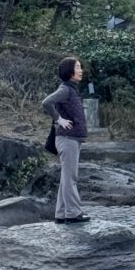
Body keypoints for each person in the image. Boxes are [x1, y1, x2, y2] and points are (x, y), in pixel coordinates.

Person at [43, 56, 89, 224]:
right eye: (78, 67)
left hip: (72, 139)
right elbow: (47, 102)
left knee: (66, 178)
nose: (81, 70)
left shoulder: (71, 89)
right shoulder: (65, 89)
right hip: (67, 138)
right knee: (71, 178)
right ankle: (73, 213)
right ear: (69, 71)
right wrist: (59, 120)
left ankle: (61, 214)